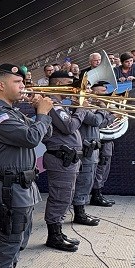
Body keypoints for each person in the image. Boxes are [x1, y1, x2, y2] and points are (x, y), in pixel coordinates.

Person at [0, 64, 53, 268]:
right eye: (18, 82)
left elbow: (45, 133)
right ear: (1, 85)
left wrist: (41, 112)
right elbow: (31, 138)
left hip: (22, 185)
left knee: (20, 234)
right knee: (9, 236)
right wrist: (41, 115)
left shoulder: (14, 113)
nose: (23, 86)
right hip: (9, 186)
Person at [41, 72, 87, 252]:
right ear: (59, 83)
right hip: (61, 158)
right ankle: (53, 236)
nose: (73, 88)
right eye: (69, 83)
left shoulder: (60, 104)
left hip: (67, 158)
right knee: (60, 197)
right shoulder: (52, 103)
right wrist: (81, 108)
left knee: (65, 196)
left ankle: (58, 231)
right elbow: (69, 127)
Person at [70, 85, 112, 226]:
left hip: (92, 149)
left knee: (88, 180)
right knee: (84, 181)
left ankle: (81, 210)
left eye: (88, 89)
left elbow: (100, 123)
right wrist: (102, 108)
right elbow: (95, 121)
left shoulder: (87, 107)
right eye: (86, 89)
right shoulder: (79, 107)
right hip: (85, 149)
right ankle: (79, 213)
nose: (88, 92)